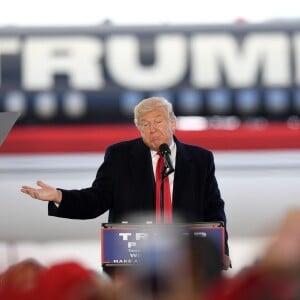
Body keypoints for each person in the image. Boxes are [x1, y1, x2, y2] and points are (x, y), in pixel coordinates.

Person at [21, 96, 231, 270]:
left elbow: (213, 210)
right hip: (134, 265)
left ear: (173, 123)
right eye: (145, 125)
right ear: (138, 129)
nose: (152, 130)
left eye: (158, 122)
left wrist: (221, 251)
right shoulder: (119, 156)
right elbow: (96, 200)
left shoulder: (200, 159)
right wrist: (59, 196)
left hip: (187, 263)